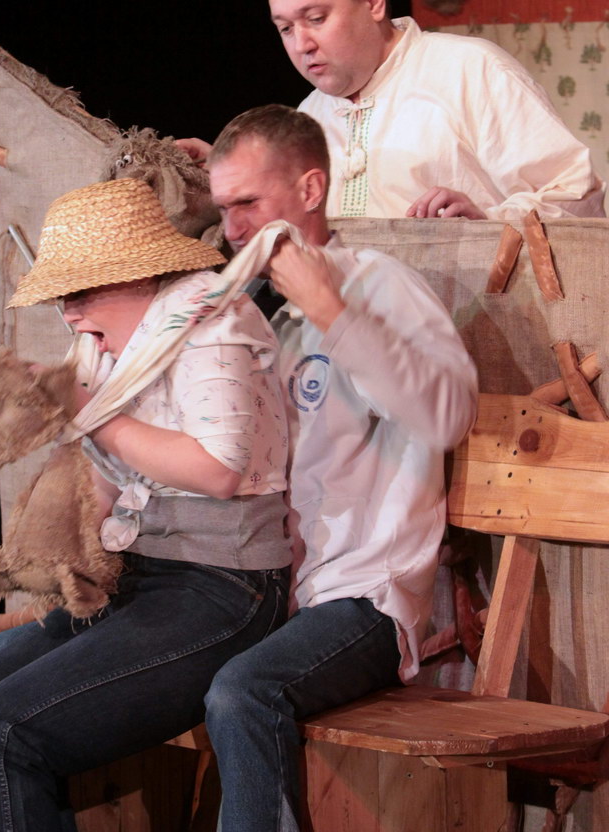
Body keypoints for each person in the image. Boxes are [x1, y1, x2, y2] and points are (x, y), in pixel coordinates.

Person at [0, 177, 292, 832]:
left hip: (224, 588)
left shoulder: (209, 325)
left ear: (140, 276)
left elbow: (218, 471)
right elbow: (101, 478)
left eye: (81, 294)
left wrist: (87, 412)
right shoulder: (110, 350)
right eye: (63, 298)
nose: (70, 314)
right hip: (141, 581)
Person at [202, 105, 479, 831]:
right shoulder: (245, 312)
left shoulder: (378, 285)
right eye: (223, 208)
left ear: (311, 189)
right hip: (265, 591)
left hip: (363, 598)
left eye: (247, 203)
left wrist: (330, 310)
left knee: (243, 692)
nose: (233, 228)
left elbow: (448, 414)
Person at [179, 0, 604, 221]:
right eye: (286, 28)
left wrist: (489, 221)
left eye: (316, 18)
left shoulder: (469, 71)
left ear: (373, 1)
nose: (301, 43)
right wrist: (222, 170)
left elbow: (576, 195)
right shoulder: (308, 118)